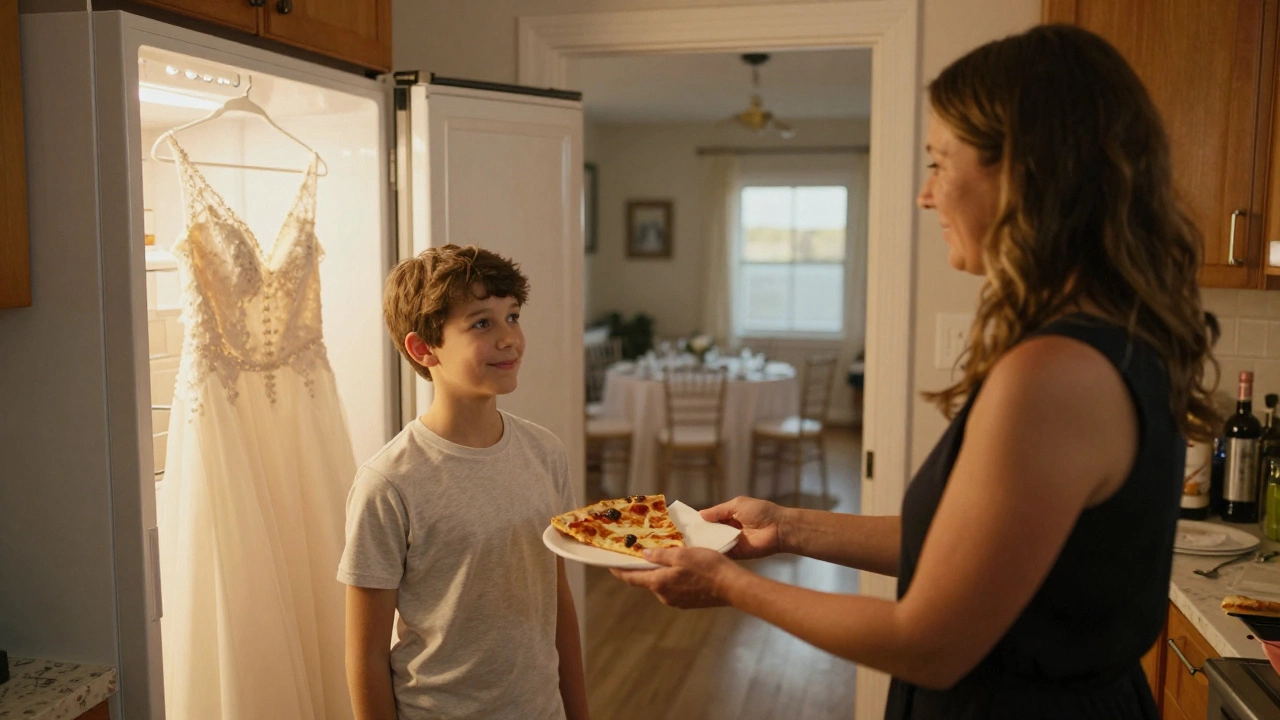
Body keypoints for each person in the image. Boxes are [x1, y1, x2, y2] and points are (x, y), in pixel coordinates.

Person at [612, 24, 1220, 719]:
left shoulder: (1055, 374)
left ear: (1025, 171)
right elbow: (967, 553)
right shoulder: (1111, 339)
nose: (925, 196)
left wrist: (726, 584)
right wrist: (788, 527)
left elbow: (931, 642)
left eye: (939, 162)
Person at [338, 244, 591, 720]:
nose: (509, 338)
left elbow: (557, 600)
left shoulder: (546, 453)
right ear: (422, 347)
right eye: (481, 323)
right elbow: (366, 655)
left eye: (512, 316)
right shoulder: (388, 483)